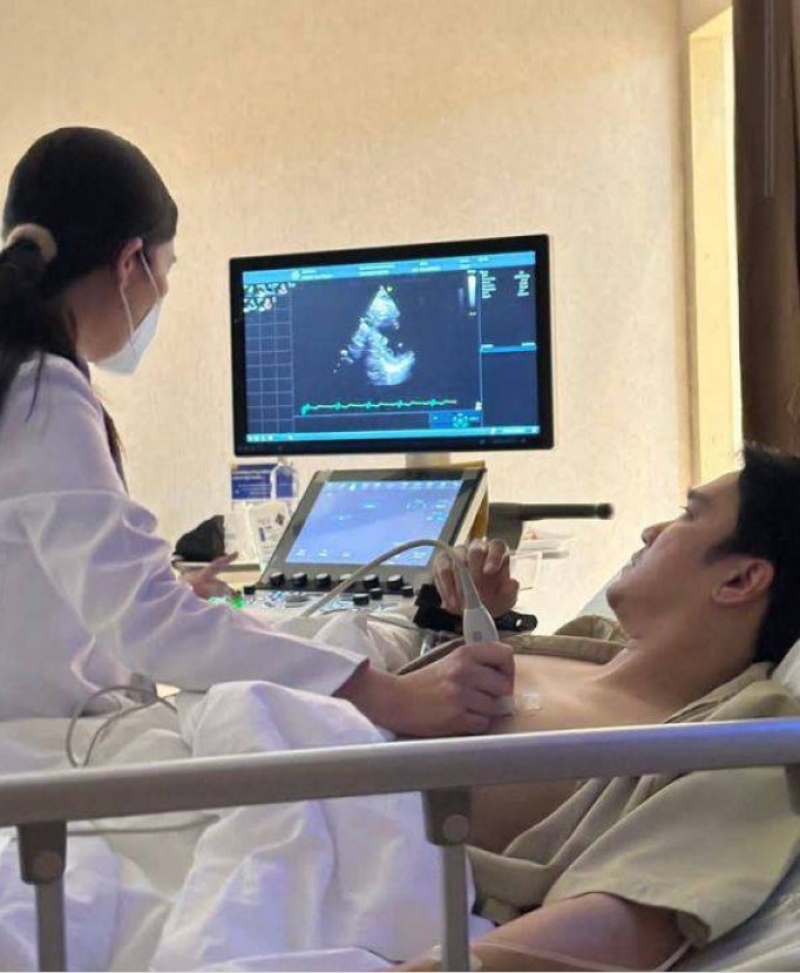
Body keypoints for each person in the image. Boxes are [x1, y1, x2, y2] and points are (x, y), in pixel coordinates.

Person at [0, 126, 514, 734]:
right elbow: (149, 627)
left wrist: (168, 599)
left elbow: (60, 595)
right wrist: (390, 697)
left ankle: (412, 643)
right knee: (308, 694)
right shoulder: (44, 394)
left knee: (315, 651)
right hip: (48, 755)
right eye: (165, 270)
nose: (161, 293)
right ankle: (417, 648)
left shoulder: (22, 384)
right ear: (130, 262)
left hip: (45, 739)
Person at [400, 446, 800, 970]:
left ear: (739, 581)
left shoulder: (743, 736)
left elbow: (617, 927)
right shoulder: (578, 647)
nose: (651, 532)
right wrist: (459, 617)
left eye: (688, 514)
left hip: (344, 850)